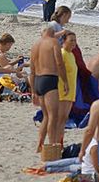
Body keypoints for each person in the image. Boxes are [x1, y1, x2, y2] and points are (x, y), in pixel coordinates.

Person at [30, 22, 67, 153]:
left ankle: (40, 145)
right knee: (53, 116)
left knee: (46, 116)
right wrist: (65, 81)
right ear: (52, 32)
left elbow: (32, 71)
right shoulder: (53, 42)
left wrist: (33, 91)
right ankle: (52, 146)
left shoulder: (35, 45)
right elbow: (59, 63)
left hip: (38, 81)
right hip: (50, 78)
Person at [55, 30, 79, 142]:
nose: (74, 43)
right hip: (63, 89)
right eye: (71, 40)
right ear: (64, 41)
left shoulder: (71, 54)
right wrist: (64, 82)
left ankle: (60, 140)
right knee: (60, 118)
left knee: (64, 118)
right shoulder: (62, 53)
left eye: (75, 40)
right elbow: (59, 68)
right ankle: (56, 141)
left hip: (71, 90)